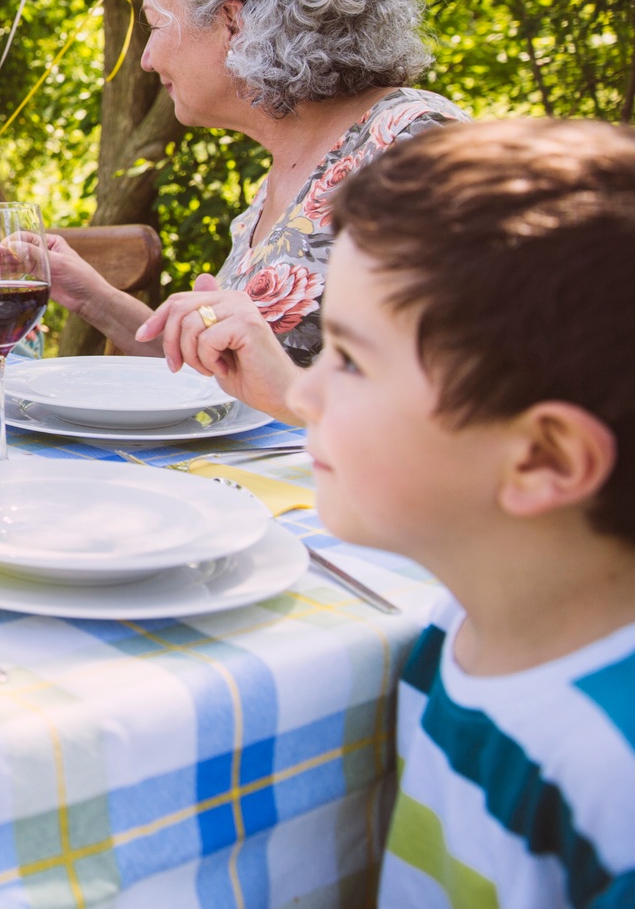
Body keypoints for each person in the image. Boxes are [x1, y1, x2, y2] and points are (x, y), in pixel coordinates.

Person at [142, 118, 635, 904]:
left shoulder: (611, 782)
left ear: (545, 460)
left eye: (351, 360)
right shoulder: (453, 632)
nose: (303, 392)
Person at [48, 0, 468, 367]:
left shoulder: (413, 146)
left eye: (157, 25)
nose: (147, 58)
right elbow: (238, 374)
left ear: (233, 23)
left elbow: (460, 399)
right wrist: (88, 294)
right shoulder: (286, 174)